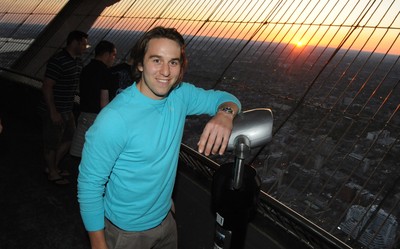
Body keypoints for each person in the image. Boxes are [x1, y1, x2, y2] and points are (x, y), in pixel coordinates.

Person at [77, 26, 241, 249]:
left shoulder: (179, 95)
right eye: (156, 60)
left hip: (165, 222)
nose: (165, 71)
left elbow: (226, 98)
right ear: (140, 64)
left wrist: (225, 114)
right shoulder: (114, 119)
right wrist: (98, 243)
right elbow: (89, 185)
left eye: (173, 62)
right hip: (126, 233)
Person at [39, 30, 88, 185]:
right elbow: (47, 86)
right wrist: (53, 111)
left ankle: (52, 166)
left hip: (68, 109)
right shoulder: (58, 60)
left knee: (69, 138)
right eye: (84, 43)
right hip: (55, 109)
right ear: (75, 42)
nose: (85, 47)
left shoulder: (78, 62)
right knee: (52, 142)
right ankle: (53, 173)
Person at [69, 40, 117, 158]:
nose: (114, 58)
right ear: (106, 54)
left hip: (83, 113)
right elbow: (104, 103)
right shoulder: (105, 73)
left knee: (78, 151)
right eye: (113, 55)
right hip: (96, 117)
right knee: (94, 153)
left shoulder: (86, 68)